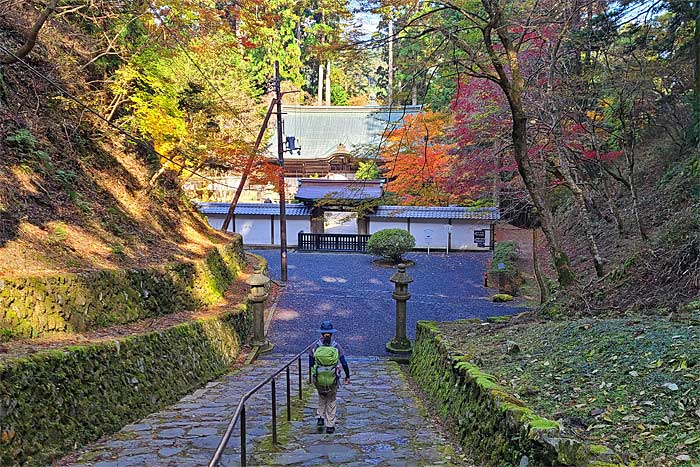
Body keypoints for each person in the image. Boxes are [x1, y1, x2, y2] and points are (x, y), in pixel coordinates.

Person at [309, 320, 350, 434]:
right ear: (331, 333)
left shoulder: (315, 346)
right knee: (331, 399)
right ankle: (330, 425)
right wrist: (347, 376)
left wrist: (312, 375)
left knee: (322, 396)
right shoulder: (336, 347)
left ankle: (320, 417)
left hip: (319, 377)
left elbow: (311, 363)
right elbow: (344, 362)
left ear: (321, 333)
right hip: (332, 377)